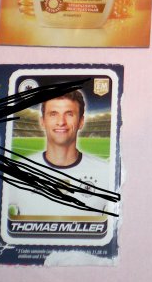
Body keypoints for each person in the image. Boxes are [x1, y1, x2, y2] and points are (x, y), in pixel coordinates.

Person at [6, 90, 111, 219]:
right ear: (42, 121)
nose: (61, 122)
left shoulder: (105, 173)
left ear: (81, 121)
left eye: (69, 114)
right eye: (53, 114)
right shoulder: (18, 172)